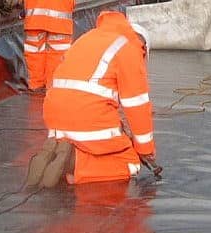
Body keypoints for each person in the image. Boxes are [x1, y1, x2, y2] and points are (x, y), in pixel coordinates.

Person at [24, 11, 157, 188]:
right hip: (84, 118)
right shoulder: (130, 47)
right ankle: (73, 162)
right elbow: (136, 105)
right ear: (143, 47)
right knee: (129, 162)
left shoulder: (88, 37)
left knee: (111, 143)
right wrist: (145, 151)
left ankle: (59, 150)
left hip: (55, 122)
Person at [23, 0, 76, 91]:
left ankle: (35, 84)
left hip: (34, 16)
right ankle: (53, 85)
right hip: (60, 17)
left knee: (34, 51)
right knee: (58, 52)